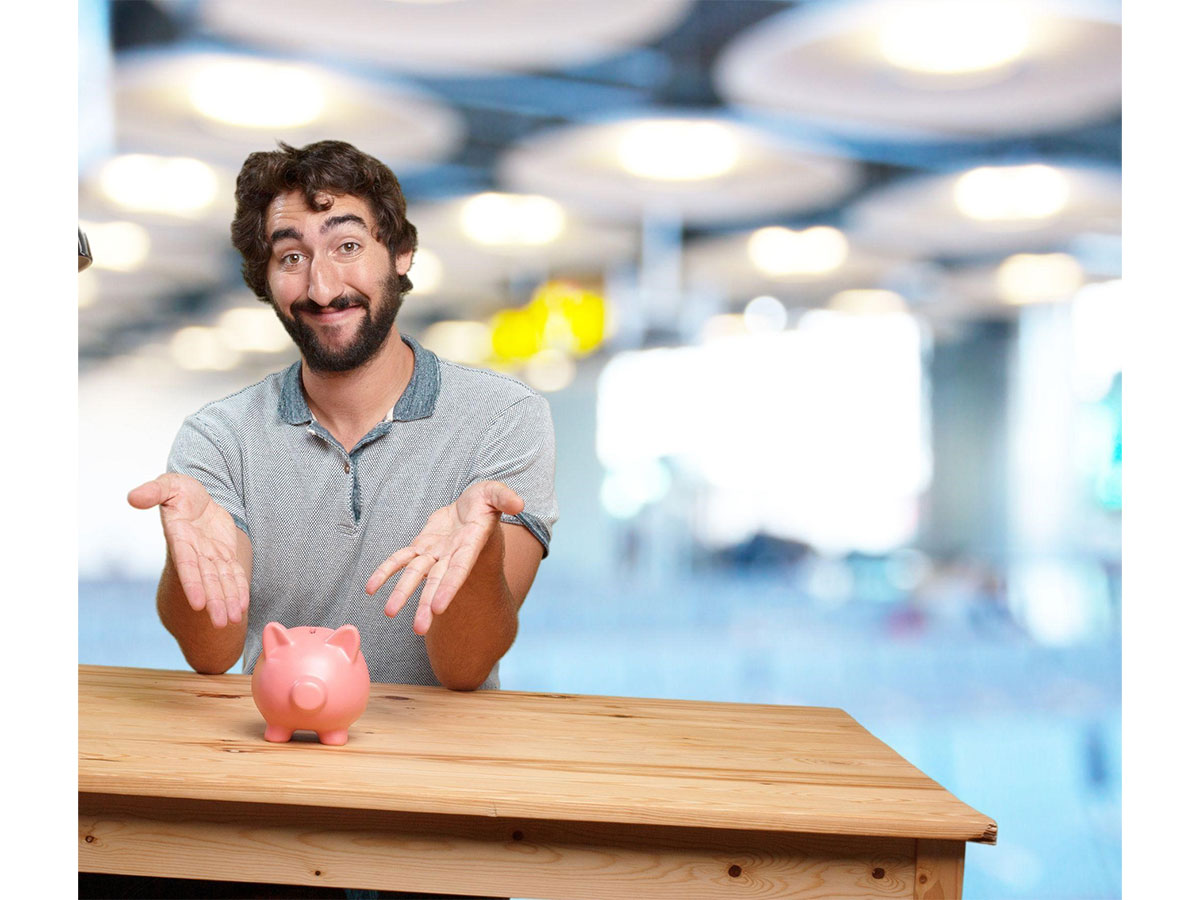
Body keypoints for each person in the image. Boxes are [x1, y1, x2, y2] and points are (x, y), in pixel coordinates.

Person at [127, 140, 558, 692]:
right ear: (266, 280)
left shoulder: (504, 418)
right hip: (278, 752)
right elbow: (212, 655)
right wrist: (181, 556)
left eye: (347, 246)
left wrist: (480, 551)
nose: (322, 288)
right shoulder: (218, 437)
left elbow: (464, 669)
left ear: (401, 254)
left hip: (439, 764)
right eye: (291, 257)